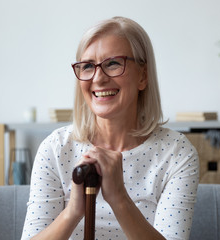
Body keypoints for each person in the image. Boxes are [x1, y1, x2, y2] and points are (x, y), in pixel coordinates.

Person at [21, 16, 199, 240]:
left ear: (143, 76)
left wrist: (119, 198)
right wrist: (74, 211)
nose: (98, 78)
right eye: (87, 66)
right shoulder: (56, 148)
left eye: (113, 63)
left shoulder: (176, 153)